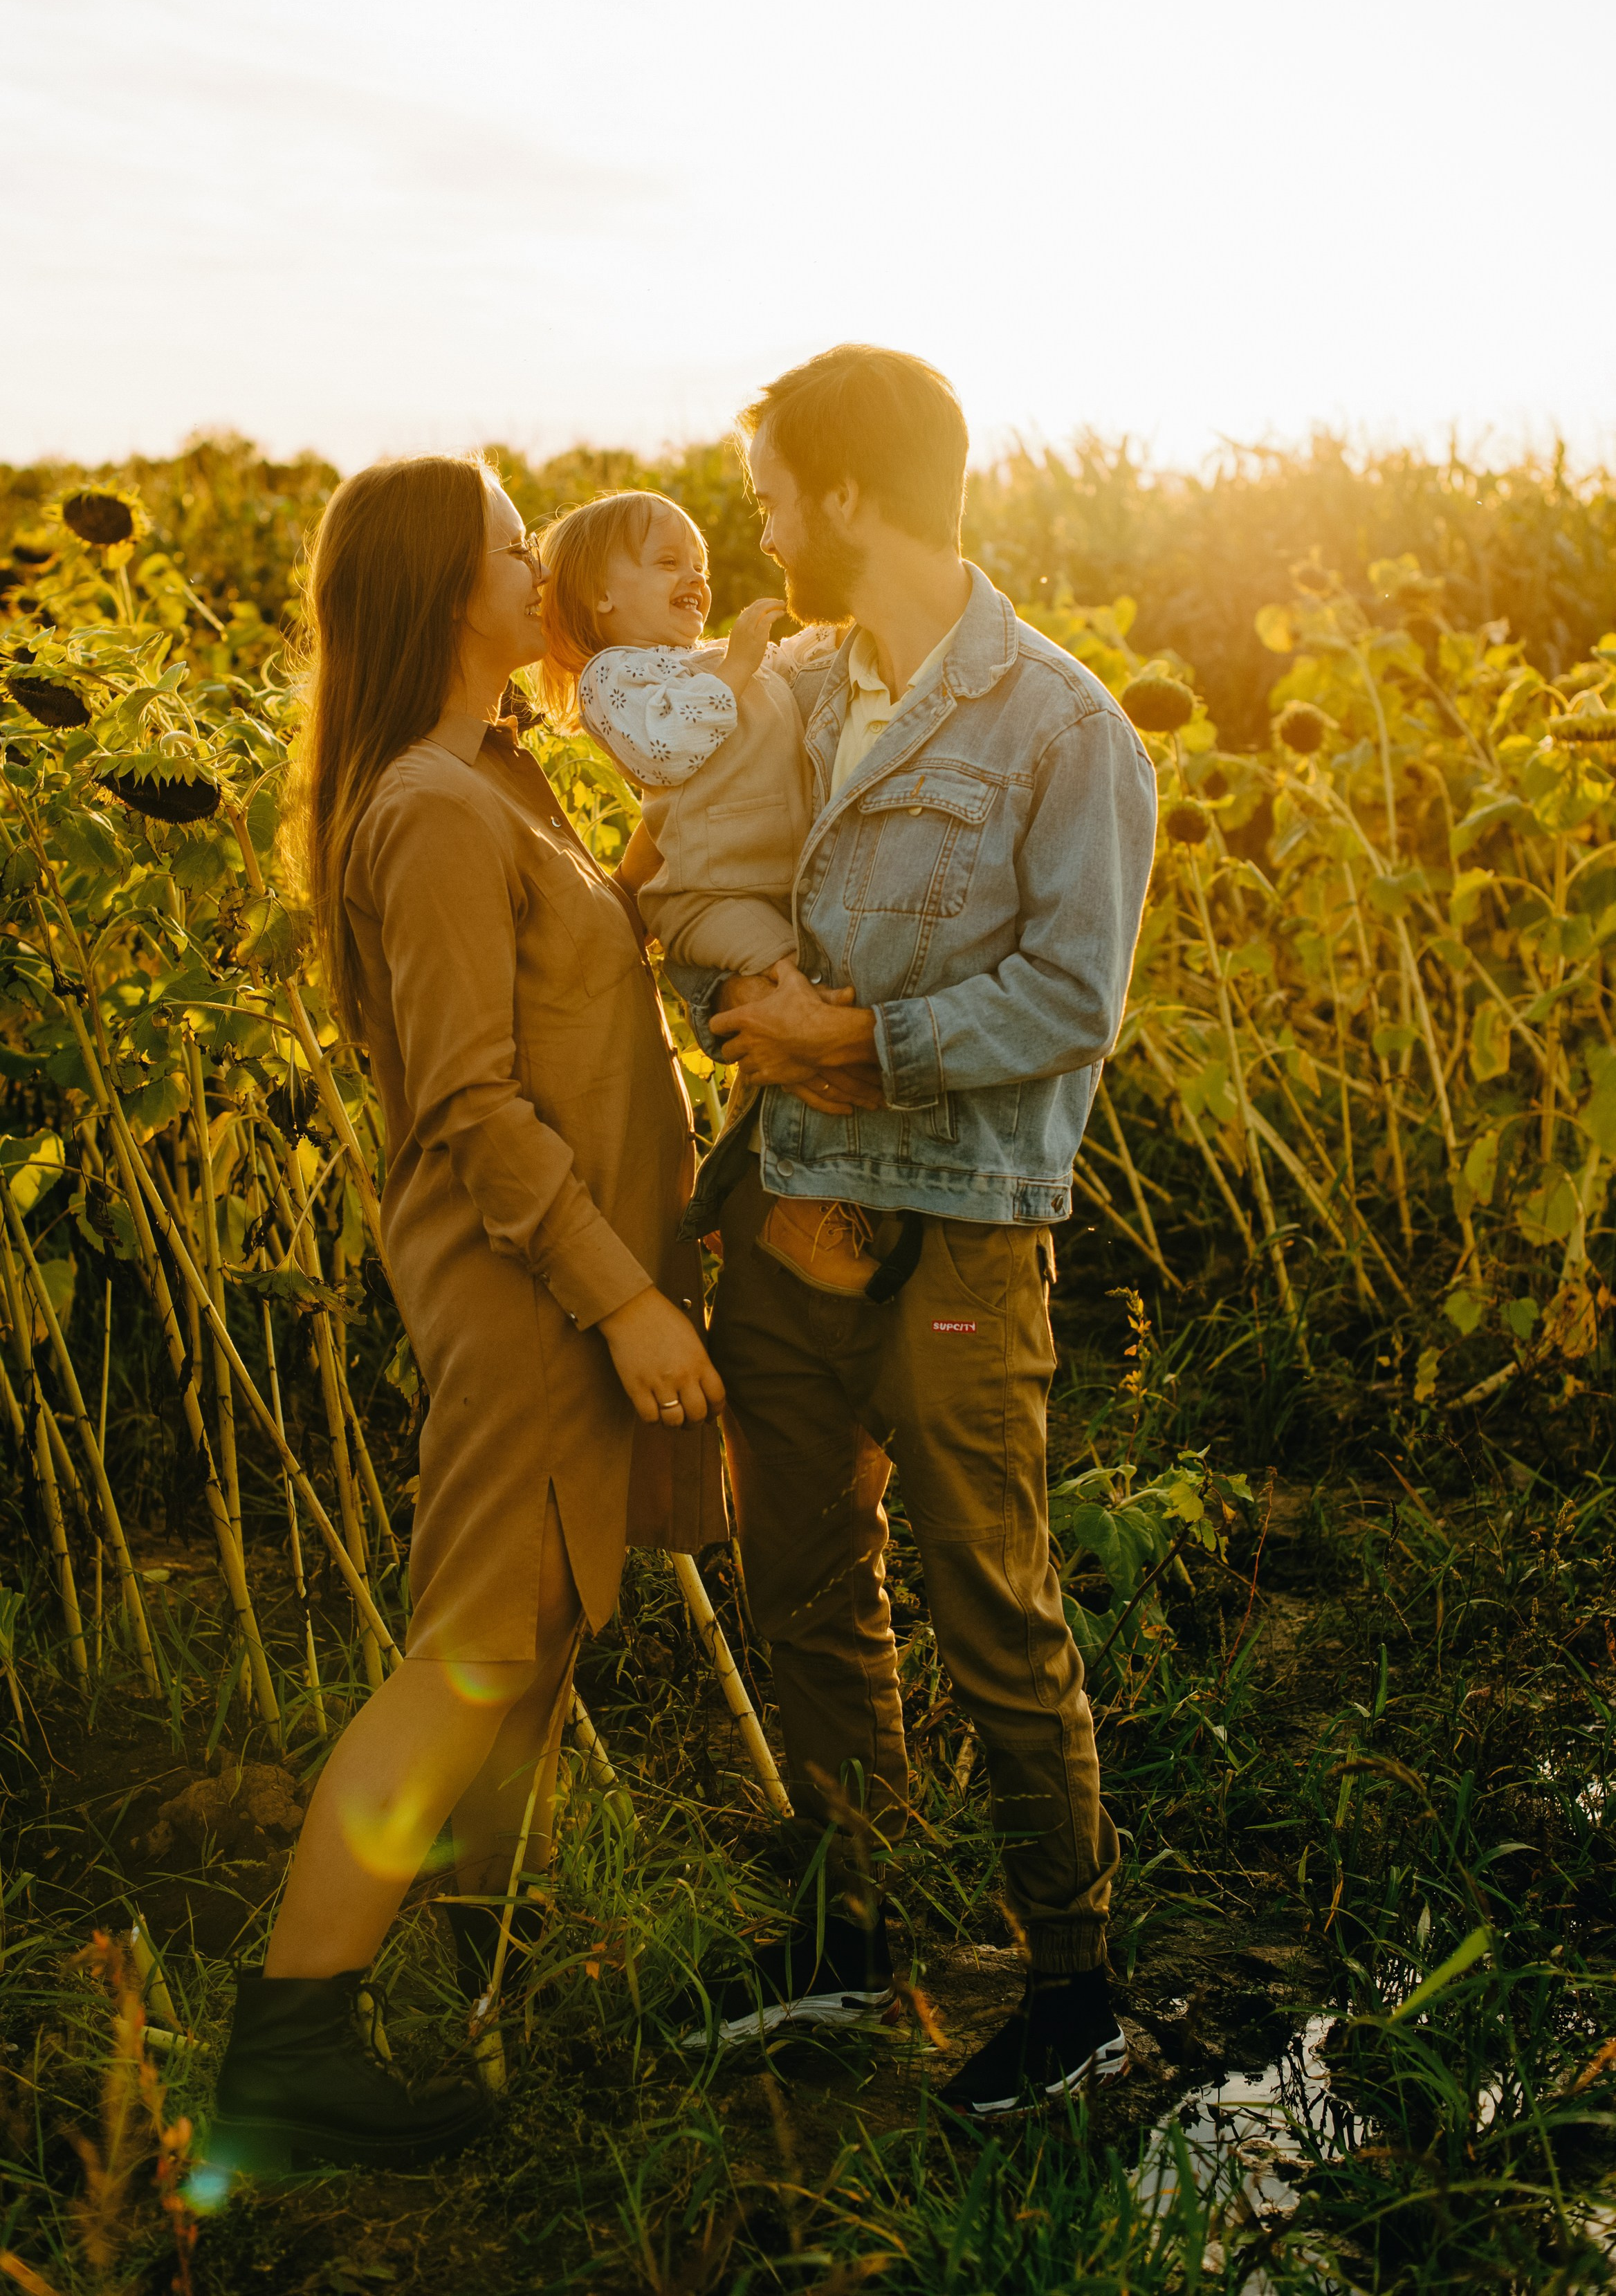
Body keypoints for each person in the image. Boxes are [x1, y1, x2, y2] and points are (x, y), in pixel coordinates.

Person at [212, 455, 725, 2171]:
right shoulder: (432, 807)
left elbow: (563, 994)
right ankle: (286, 2052)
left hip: (569, 1269)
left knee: (539, 1633)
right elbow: (468, 1101)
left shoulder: (504, 777)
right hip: (527, 1285)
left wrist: (645, 884)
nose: (542, 573)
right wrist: (627, 1302)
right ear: (447, 591)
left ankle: (487, 1968)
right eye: (515, 551)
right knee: (476, 1646)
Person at [668, 345, 1158, 2116]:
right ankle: (860, 1932)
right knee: (803, 1582)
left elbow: (1073, 998)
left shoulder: (1062, 726)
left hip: (958, 1235)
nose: (764, 525)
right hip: (788, 1202)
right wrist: (743, 985)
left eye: (774, 494)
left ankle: (1070, 1980)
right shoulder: (789, 693)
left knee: (985, 1590)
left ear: (850, 498)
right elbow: (696, 867)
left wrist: (859, 1042)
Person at [543, 488, 864, 1293]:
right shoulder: (613, 679)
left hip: (770, 886)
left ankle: (740, 1199)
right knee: (792, 1004)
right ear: (602, 596)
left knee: (800, 1022)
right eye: (665, 561)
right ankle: (789, 1206)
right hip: (708, 898)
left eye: (700, 563)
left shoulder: (706, 659)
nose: (693, 574)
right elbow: (665, 747)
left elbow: (794, 672)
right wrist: (740, 664)